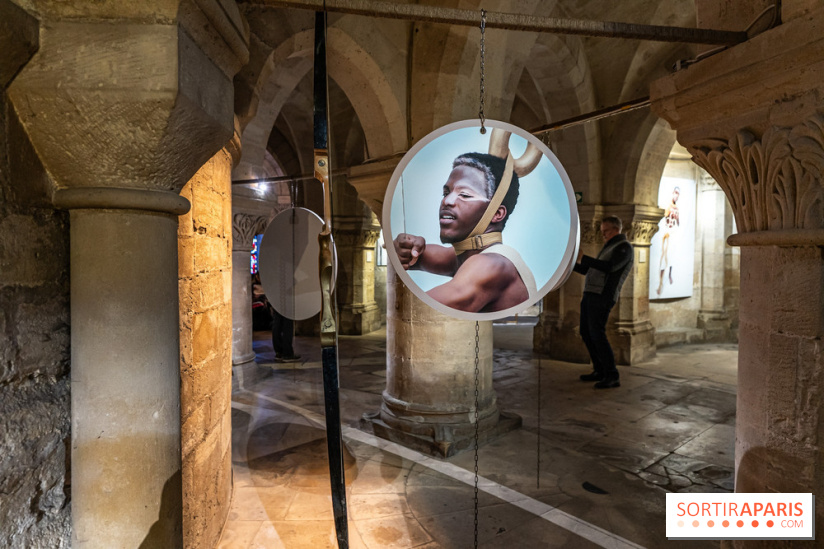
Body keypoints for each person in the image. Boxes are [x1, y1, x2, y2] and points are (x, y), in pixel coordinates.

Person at [393, 151, 537, 313]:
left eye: (465, 195)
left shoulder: (490, 265)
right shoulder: (471, 255)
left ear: (497, 214)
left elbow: (415, 311)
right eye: (446, 193)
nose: (447, 201)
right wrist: (403, 247)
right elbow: (417, 256)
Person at [573, 215, 633, 389]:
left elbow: (609, 267)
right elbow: (590, 270)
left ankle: (612, 375)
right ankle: (599, 370)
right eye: (602, 231)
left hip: (603, 297)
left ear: (616, 229)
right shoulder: (609, 247)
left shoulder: (624, 247)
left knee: (597, 334)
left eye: (606, 231)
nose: (604, 234)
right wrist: (570, 265)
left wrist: (584, 258)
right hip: (591, 294)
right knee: (586, 332)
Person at [252, 273, 300, 363]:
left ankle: (279, 352)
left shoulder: (273, 268)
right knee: (287, 322)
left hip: (275, 295)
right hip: (285, 294)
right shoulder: (285, 270)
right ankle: (287, 353)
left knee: (277, 321)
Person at [656, 186, 680, 296]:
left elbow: (678, 222)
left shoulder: (676, 208)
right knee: (664, 258)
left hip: (673, 233)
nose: (676, 195)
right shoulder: (669, 206)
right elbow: (665, 216)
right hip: (667, 233)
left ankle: (669, 275)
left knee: (671, 257)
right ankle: (660, 284)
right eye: (675, 192)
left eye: (678, 193)